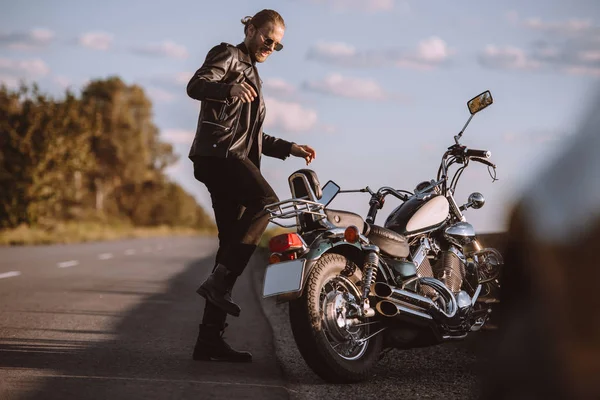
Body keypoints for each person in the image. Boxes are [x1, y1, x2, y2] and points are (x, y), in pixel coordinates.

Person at [186, 9, 316, 363]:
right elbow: (195, 86)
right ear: (251, 28)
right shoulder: (228, 54)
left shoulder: (254, 76)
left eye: (277, 45)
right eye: (266, 38)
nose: (270, 47)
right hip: (219, 156)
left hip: (233, 157)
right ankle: (220, 281)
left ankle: (208, 341)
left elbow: (253, 137)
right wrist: (228, 88)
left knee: (229, 243)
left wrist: (289, 147)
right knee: (267, 201)